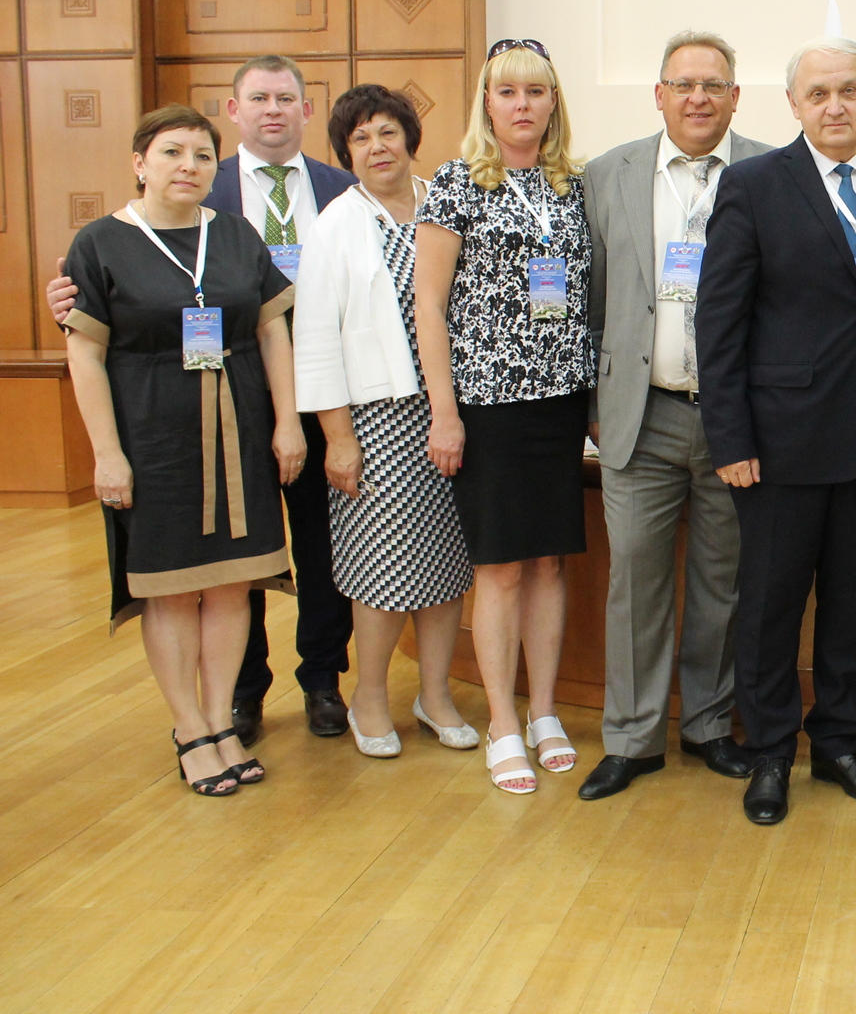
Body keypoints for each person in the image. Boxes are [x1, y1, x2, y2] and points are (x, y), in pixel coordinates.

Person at [49, 55, 357, 744]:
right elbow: (107, 320)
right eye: (259, 98)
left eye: (286, 98)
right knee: (216, 566)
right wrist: (68, 307)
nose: (273, 109)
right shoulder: (164, 213)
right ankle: (237, 701)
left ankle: (322, 679)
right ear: (235, 110)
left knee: (315, 546)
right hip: (188, 412)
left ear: (306, 110)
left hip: (314, 392)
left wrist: (293, 420)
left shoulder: (340, 190)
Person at [696, 36, 856, 826]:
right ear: (794, 105)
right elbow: (719, 323)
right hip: (778, 444)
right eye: (818, 94)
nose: (835, 106)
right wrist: (730, 440)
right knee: (770, 608)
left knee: (852, 605)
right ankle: (770, 752)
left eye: (848, 91)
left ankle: (838, 744)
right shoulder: (753, 184)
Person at [63, 104, 305, 795]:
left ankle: (222, 719)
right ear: (140, 163)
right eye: (172, 152)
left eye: (202, 155)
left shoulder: (234, 234)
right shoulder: (100, 243)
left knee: (231, 585)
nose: (188, 166)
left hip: (240, 432)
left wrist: (287, 422)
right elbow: (85, 354)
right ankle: (189, 728)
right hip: (153, 440)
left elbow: (271, 332)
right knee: (170, 592)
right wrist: (107, 454)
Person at [574, 32, 769, 800]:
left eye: (713, 85)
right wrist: (597, 406)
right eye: (683, 84)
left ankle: (710, 726)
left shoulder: (769, 172)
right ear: (658, 95)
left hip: (734, 422)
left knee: (723, 582)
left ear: (735, 97)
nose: (698, 97)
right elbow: (589, 300)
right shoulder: (607, 174)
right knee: (635, 582)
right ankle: (632, 738)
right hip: (640, 414)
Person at [416, 39, 594, 794]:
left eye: (535, 91)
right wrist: (444, 413)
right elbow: (428, 306)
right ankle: (500, 721)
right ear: (486, 103)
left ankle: (544, 711)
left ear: (554, 102)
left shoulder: (574, 184)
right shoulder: (456, 183)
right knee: (499, 568)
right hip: (487, 405)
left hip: (561, 403)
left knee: (549, 562)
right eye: (507, 91)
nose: (522, 104)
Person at [294, 85, 477, 759]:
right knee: (381, 564)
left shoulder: (443, 202)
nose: (377, 147)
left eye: (388, 133)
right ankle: (369, 698)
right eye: (361, 138)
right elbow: (315, 338)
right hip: (376, 422)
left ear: (410, 139)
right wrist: (338, 438)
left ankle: (435, 696)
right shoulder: (336, 224)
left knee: (449, 563)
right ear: (346, 152)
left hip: (452, 414)